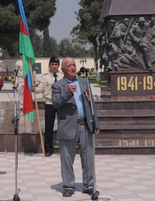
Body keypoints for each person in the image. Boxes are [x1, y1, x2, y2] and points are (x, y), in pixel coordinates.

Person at [51, 57, 100, 197]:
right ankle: (68, 186)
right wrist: (68, 92)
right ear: (63, 69)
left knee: (88, 157)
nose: (72, 67)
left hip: (85, 125)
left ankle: (89, 185)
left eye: (74, 65)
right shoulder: (58, 85)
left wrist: (95, 122)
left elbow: (91, 104)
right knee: (67, 159)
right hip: (68, 126)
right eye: (69, 66)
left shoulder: (84, 82)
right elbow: (55, 103)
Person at [31, 55, 64, 157]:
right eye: (52, 64)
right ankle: (48, 149)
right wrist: (34, 89)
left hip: (61, 103)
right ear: (49, 65)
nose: (54, 66)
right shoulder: (45, 76)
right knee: (49, 127)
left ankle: (64, 147)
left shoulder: (63, 76)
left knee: (63, 125)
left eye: (56, 64)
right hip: (50, 103)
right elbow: (39, 89)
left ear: (58, 65)